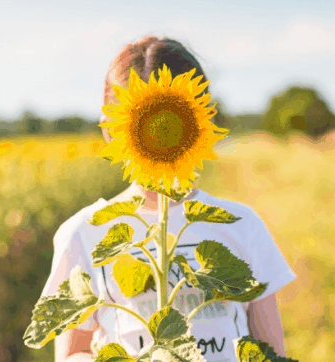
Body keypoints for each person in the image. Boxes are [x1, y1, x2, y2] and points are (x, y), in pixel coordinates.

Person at [41, 35, 297, 362]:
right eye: (143, 122)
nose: (160, 130)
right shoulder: (85, 233)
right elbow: (72, 353)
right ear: (110, 129)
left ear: (203, 119)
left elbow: (268, 352)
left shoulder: (242, 227)